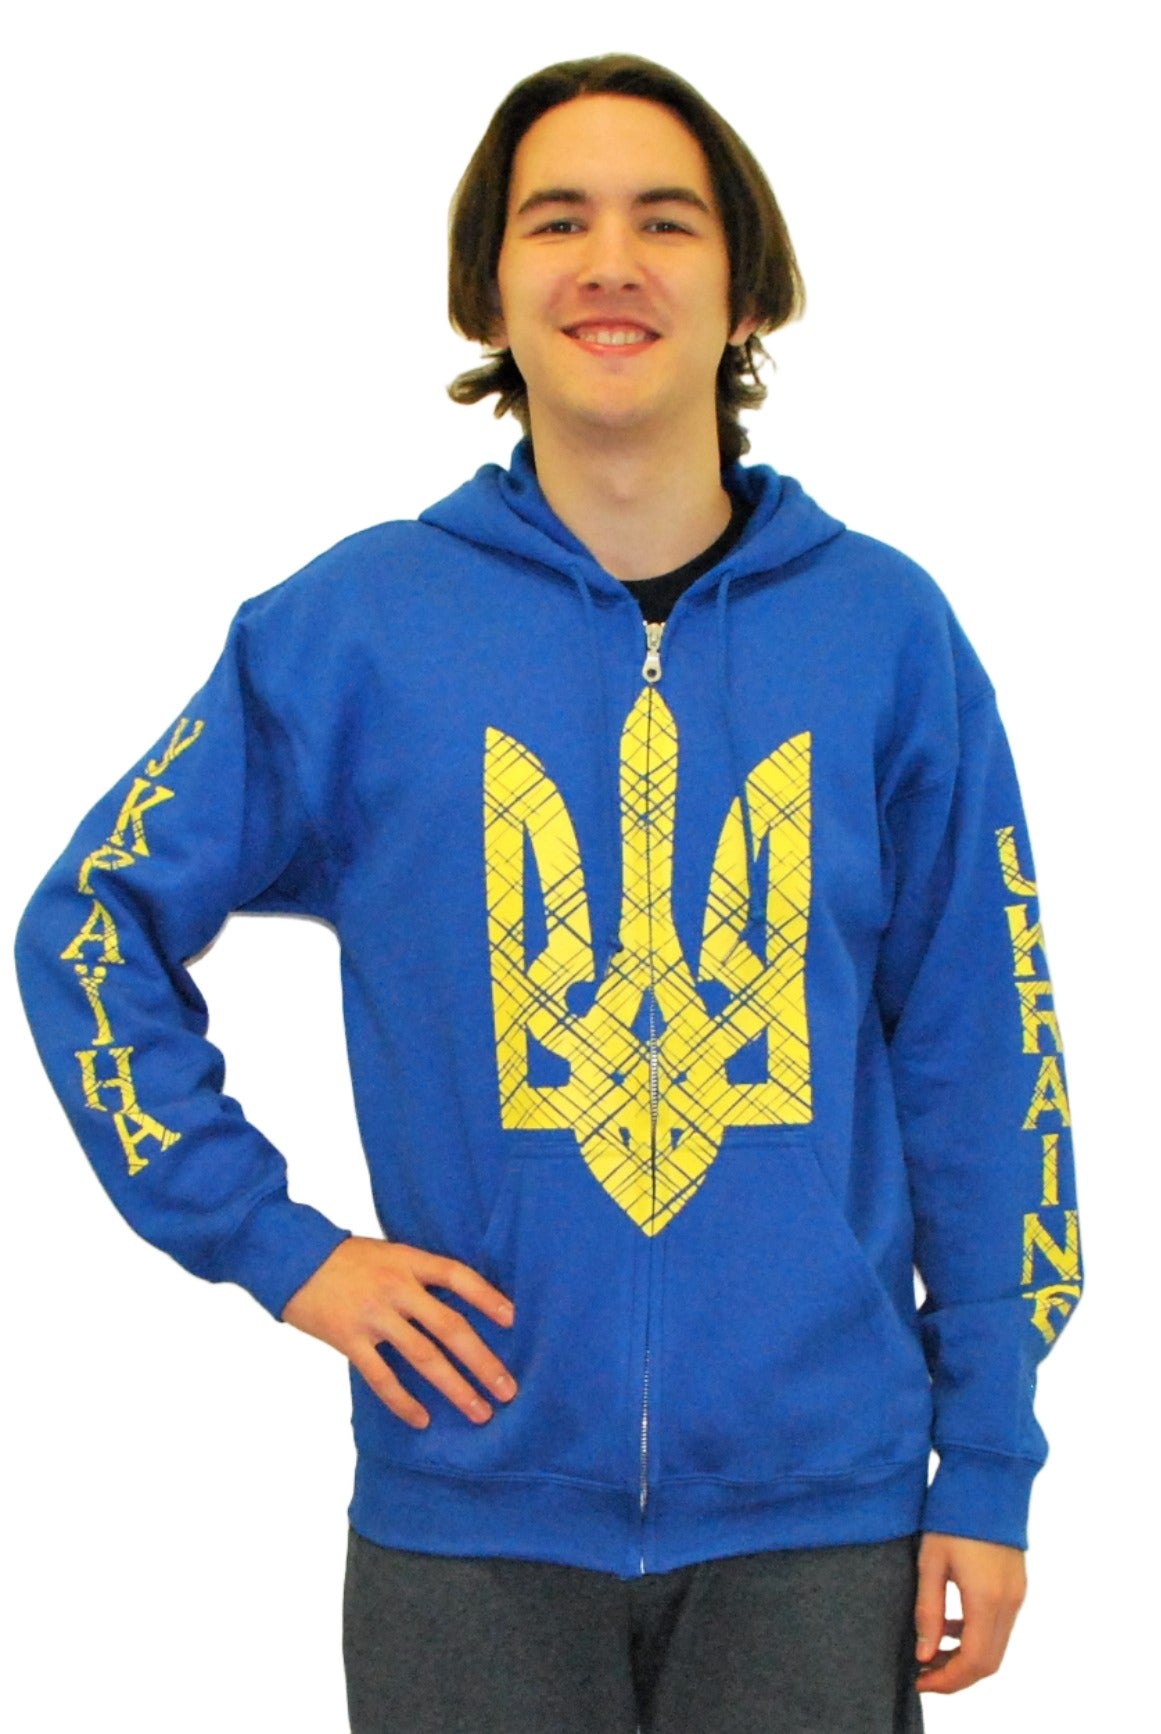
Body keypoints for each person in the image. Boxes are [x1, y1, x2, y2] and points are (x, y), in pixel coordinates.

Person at [13, 50, 1083, 1734]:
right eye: (556, 221)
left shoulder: (884, 635)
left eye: (665, 221)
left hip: (820, 1520)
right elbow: (87, 928)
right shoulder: (356, 631)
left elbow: (981, 1061)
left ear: (744, 293)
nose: (610, 263)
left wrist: (992, 1456)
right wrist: (282, 1248)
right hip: (470, 1525)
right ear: (489, 289)